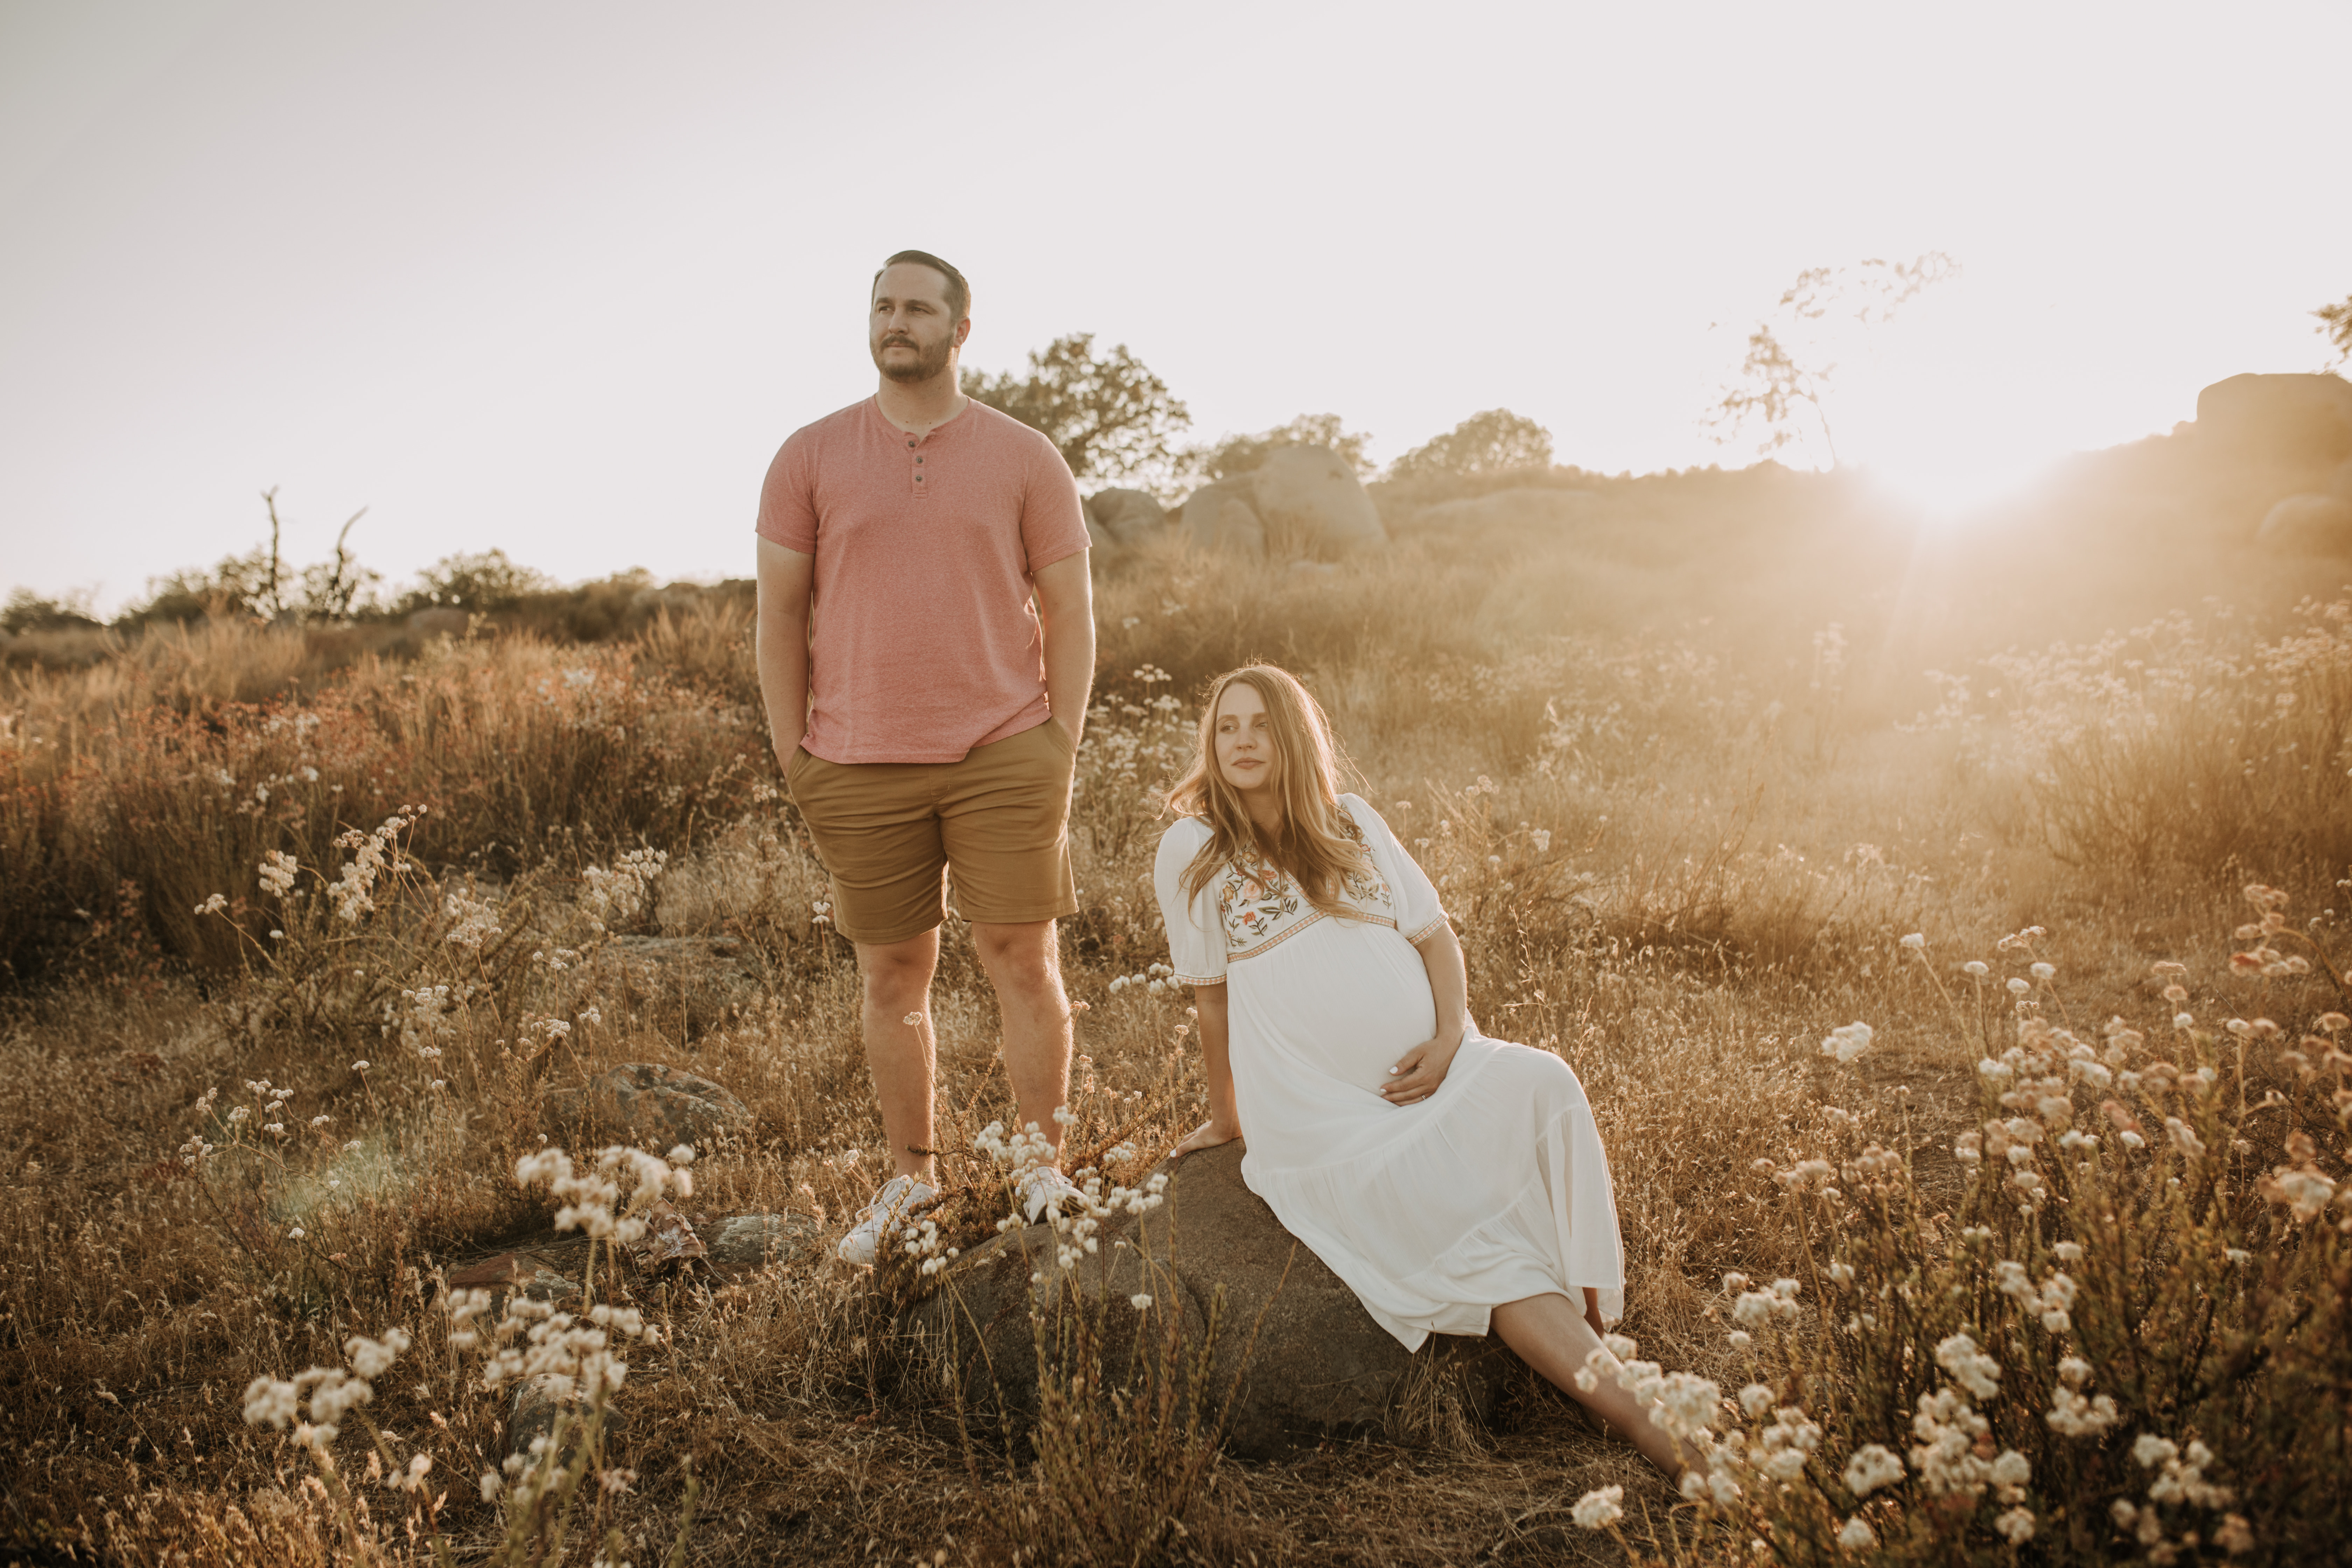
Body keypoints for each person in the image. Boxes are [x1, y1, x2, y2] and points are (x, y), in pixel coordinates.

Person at [1151, 664, 1688, 1475]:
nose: (1242, 741)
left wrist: (1447, 1041)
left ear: (1294, 737)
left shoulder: (1355, 822)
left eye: (1261, 725)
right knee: (1479, 1240)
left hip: (1442, 1069)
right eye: (1227, 726)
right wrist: (1227, 1119)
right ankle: (1644, 1421)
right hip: (1324, 1114)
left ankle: (1600, 1350)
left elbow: (1436, 938)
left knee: (1548, 1081)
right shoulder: (1194, 847)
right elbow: (1212, 1003)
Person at [755, 250, 1095, 1265]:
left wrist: (1059, 742)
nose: (895, 321)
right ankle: (911, 1186)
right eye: (882, 306)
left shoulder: (1025, 455)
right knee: (893, 977)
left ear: (961, 329)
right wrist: (794, 754)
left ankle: (1044, 1167)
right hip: (857, 761)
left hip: (1004, 747)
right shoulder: (809, 456)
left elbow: (1072, 609)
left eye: (917, 308)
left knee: (1020, 959)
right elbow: (778, 614)